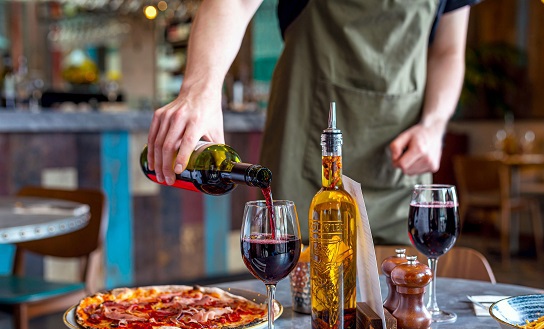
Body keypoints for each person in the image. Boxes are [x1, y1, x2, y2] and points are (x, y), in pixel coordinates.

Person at [147, 0, 481, 244]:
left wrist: (434, 126)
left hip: (400, 163)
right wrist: (199, 90)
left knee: (398, 313)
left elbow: (448, 51)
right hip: (303, 144)